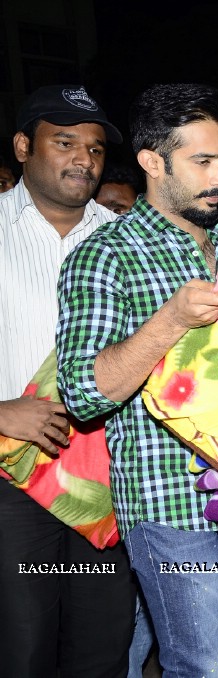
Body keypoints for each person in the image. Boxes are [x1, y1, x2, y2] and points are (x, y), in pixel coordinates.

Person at [56, 83, 218, 678]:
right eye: (201, 161)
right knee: (199, 665)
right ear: (153, 162)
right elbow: (82, 390)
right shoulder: (107, 254)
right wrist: (171, 319)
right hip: (168, 499)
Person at [0, 84, 135, 677]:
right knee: (22, 645)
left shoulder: (128, 241)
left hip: (111, 474)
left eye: (96, 148)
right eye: (65, 142)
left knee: (102, 647)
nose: (85, 158)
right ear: (24, 146)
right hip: (13, 473)